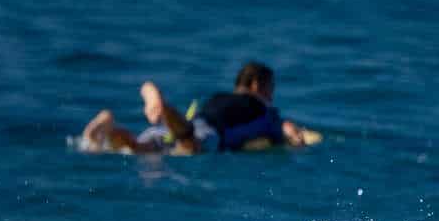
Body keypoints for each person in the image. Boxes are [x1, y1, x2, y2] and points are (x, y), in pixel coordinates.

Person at [80, 62, 308, 154]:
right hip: (205, 130)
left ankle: (107, 125)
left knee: (141, 147)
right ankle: (162, 105)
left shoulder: (219, 96)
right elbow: (284, 126)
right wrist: (297, 138)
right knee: (192, 145)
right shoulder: (262, 108)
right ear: (257, 85)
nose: (273, 93)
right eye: (271, 87)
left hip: (185, 122)